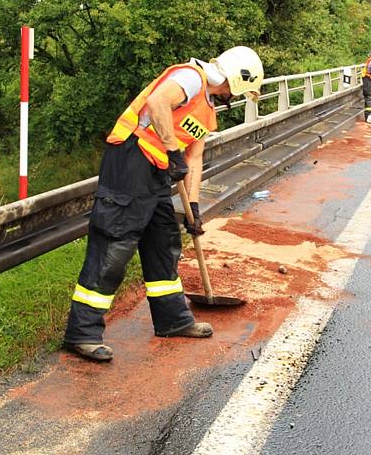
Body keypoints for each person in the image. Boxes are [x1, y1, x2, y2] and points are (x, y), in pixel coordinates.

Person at [63, 47, 264, 361]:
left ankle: (172, 319)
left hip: (157, 172)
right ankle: (82, 332)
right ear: (236, 79)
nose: (233, 97)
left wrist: (193, 208)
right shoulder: (190, 78)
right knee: (116, 244)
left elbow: (193, 159)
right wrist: (171, 150)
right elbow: (157, 103)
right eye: (239, 91)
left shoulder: (207, 111)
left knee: (163, 242)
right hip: (131, 160)